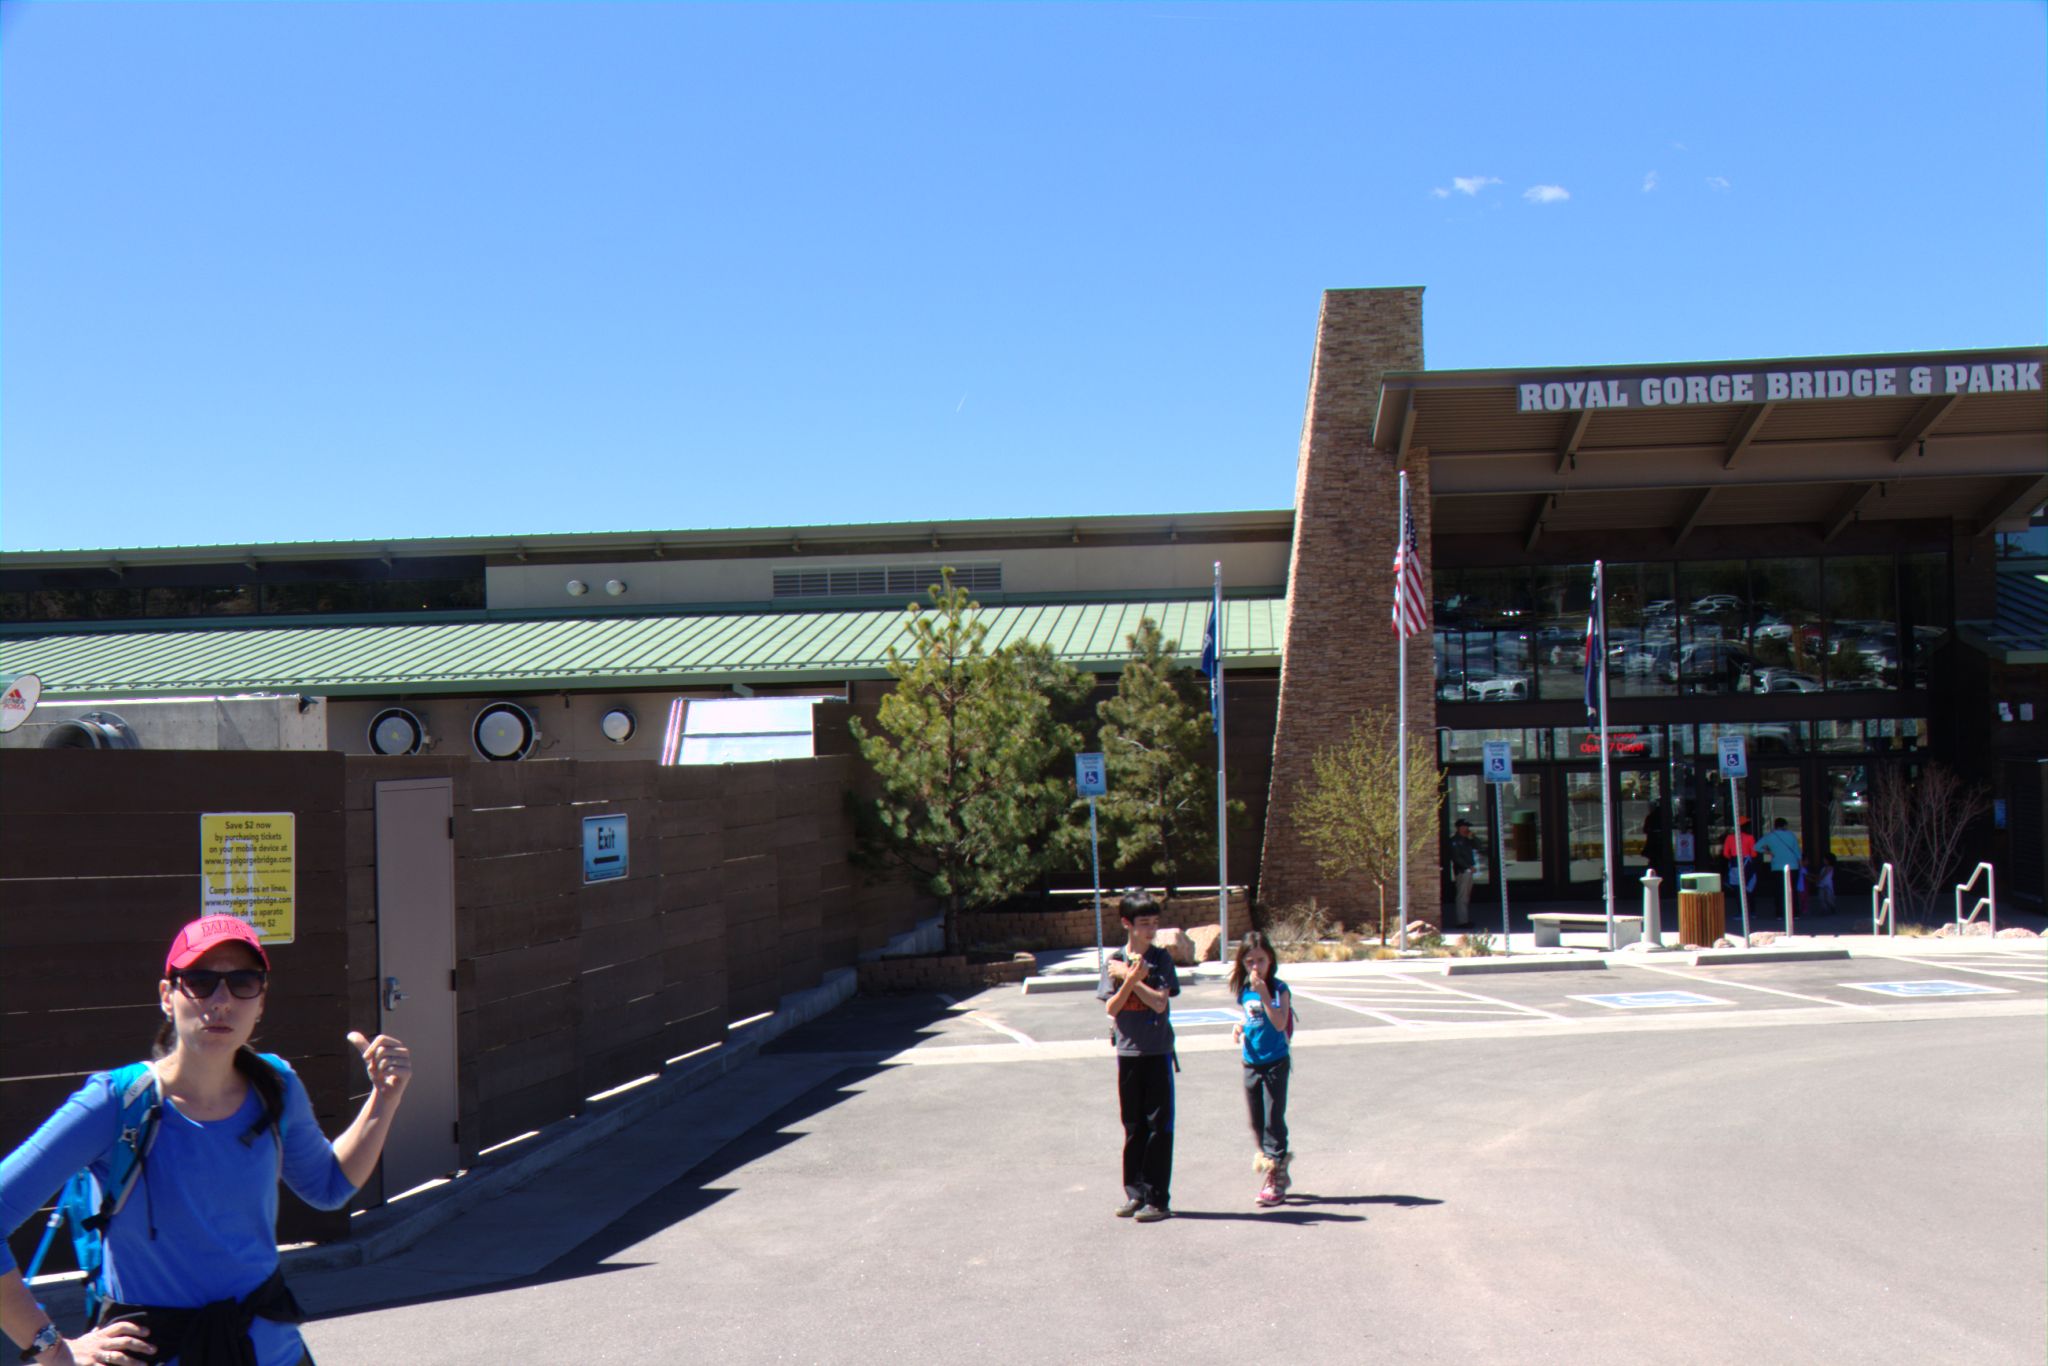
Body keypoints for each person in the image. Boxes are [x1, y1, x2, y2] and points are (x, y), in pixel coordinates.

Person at [1, 916, 413, 1366]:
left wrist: (383, 1101)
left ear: (261, 1002)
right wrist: (52, 1349)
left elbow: (329, 1186)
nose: (221, 1000)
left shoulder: (275, 1085)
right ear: (167, 996)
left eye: (242, 982)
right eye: (200, 981)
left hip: (270, 1352)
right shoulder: (116, 1102)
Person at [1096, 891, 1179, 1223]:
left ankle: (1158, 1199)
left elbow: (1160, 1003)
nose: (1151, 930)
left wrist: (1131, 979)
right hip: (1128, 1053)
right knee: (1133, 1126)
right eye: (1144, 924)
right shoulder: (1113, 959)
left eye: (1155, 924)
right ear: (1127, 924)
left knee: (1158, 1126)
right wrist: (1130, 978)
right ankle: (1135, 1193)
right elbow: (1111, 1007)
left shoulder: (1161, 960)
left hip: (1157, 1052)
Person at [1228, 932, 1293, 1208]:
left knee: (1272, 1119)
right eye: (1250, 961)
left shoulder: (1278, 989)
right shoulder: (1244, 991)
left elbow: (1279, 1022)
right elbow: (1252, 1017)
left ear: (1271, 961)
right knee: (1256, 1121)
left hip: (1275, 1060)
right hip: (1251, 1060)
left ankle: (1274, 1173)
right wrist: (1240, 1026)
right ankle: (1275, 1163)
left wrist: (1265, 992)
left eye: (1261, 960)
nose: (1256, 967)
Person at [1755, 818, 1803, 918]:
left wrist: (1769, 852)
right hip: (1793, 866)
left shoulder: (1770, 836)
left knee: (1778, 891)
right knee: (1792, 890)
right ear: (1784, 825)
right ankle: (1795, 913)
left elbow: (1756, 847)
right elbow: (1797, 851)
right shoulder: (1791, 835)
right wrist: (1800, 864)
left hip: (1777, 866)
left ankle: (1779, 914)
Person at [1446, 819, 1480, 927]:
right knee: (1462, 896)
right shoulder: (1455, 841)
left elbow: (1479, 846)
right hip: (1462, 871)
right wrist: (1468, 866)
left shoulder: (1466, 840)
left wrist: (1473, 837)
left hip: (1468, 871)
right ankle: (1462, 921)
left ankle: (1465, 919)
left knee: (1466, 896)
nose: (1467, 829)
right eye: (1465, 827)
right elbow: (1457, 857)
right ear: (1460, 828)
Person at [1721, 818, 1758, 898]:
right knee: (1749, 886)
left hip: (1734, 863)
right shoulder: (1750, 837)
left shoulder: (1729, 837)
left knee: (1737, 887)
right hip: (1747, 864)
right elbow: (1754, 854)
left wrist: (1733, 858)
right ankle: (1751, 909)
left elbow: (1725, 854)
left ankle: (1739, 908)